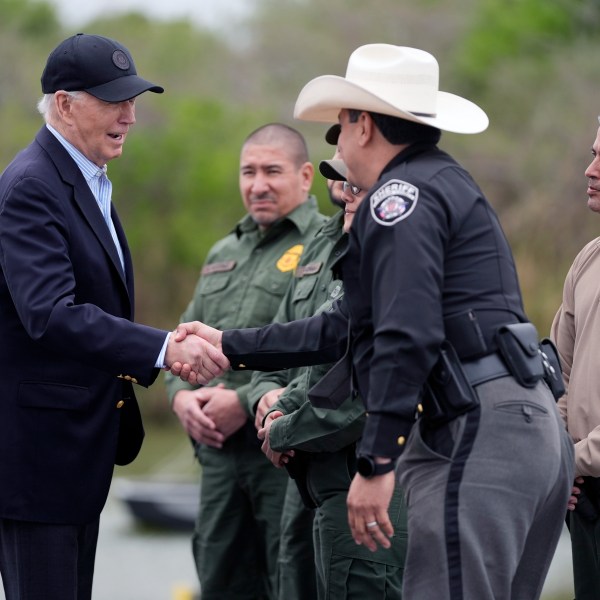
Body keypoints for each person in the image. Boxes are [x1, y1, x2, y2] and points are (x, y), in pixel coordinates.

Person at [174, 44, 574, 600]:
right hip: (522, 426)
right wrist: (229, 343)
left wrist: (378, 461)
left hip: (476, 430)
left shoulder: (398, 198)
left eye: (341, 124)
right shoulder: (441, 182)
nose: (338, 141)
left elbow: (403, 336)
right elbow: (342, 329)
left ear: (364, 125)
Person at [0, 33, 228, 600]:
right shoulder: (32, 186)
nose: (129, 115)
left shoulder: (87, 178)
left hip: (75, 459)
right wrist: (164, 348)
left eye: (133, 100)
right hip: (38, 464)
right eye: (112, 100)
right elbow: (50, 314)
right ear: (64, 104)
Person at [164, 123, 327, 600]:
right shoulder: (222, 251)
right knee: (219, 579)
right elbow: (183, 333)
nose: (258, 184)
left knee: (291, 580)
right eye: (248, 171)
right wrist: (179, 400)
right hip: (217, 460)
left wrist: (242, 398)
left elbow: (327, 346)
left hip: (282, 455)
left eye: (272, 171)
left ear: (304, 176)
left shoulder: (324, 245)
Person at [251, 125, 407, 598]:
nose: (346, 185)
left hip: (370, 478)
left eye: (358, 181)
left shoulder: (399, 258)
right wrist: (272, 402)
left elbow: (363, 385)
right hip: (314, 475)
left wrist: (282, 429)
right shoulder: (332, 246)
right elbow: (309, 345)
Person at [550, 116, 600, 599]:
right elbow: (556, 374)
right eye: (592, 153)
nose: (590, 169)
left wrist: (570, 462)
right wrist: (560, 458)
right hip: (583, 495)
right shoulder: (587, 259)